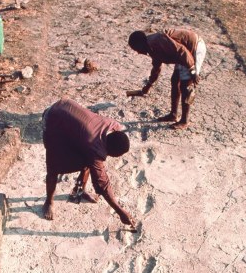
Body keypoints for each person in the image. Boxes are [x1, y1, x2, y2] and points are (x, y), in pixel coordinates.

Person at [42, 98, 135, 228]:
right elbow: (103, 184)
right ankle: (49, 201)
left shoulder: (113, 126)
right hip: (53, 119)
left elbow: (95, 158)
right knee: (53, 166)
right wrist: (120, 211)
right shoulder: (94, 147)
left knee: (88, 159)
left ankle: (78, 190)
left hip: (66, 105)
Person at [127, 28, 207, 129]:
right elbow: (156, 69)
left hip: (193, 47)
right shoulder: (150, 48)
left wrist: (193, 71)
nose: (138, 52)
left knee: (185, 86)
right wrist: (147, 87)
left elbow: (181, 51)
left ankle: (184, 121)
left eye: (136, 49)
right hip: (183, 54)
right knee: (175, 81)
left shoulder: (158, 40)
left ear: (140, 44)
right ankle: (173, 115)